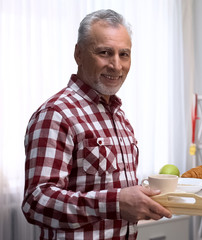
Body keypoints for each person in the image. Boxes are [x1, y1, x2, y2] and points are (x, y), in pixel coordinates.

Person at [22, 9, 171, 240]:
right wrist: (115, 203)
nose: (116, 65)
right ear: (78, 54)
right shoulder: (56, 114)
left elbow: (114, 189)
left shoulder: (119, 117)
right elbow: (36, 202)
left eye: (124, 54)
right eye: (105, 52)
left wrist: (142, 201)